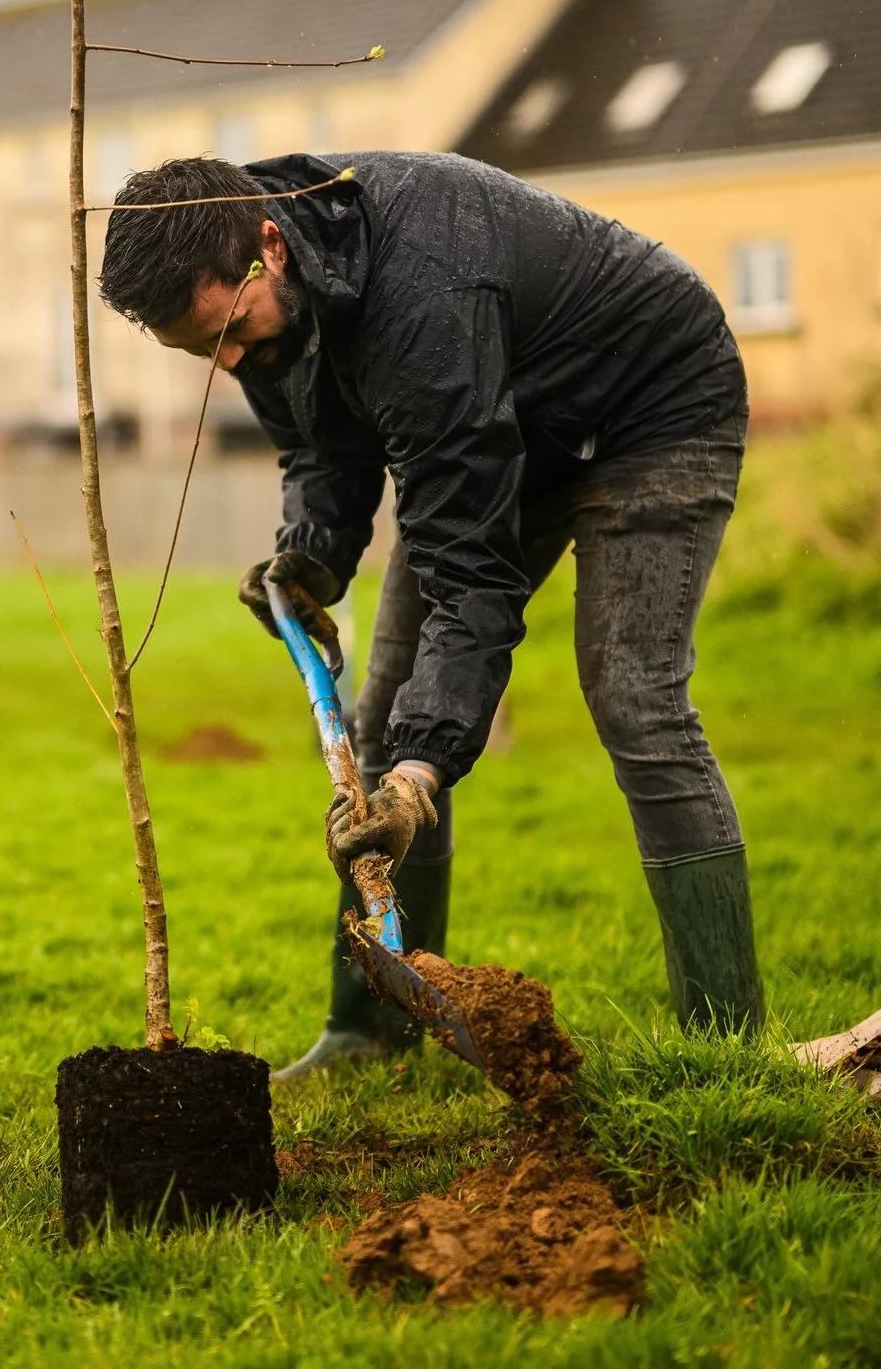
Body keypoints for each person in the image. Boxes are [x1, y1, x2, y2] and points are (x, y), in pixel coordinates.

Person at [98, 152, 763, 1082]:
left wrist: (419, 778)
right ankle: (374, 1029)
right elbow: (322, 446)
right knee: (379, 716)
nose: (232, 361)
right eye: (204, 350)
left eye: (232, 331)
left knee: (634, 696)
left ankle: (727, 1047)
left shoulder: (423, 287)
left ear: (270, 246)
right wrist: (310, 558)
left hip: (651, 409)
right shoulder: (250, 301)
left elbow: (471, 577)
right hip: (500, 427)